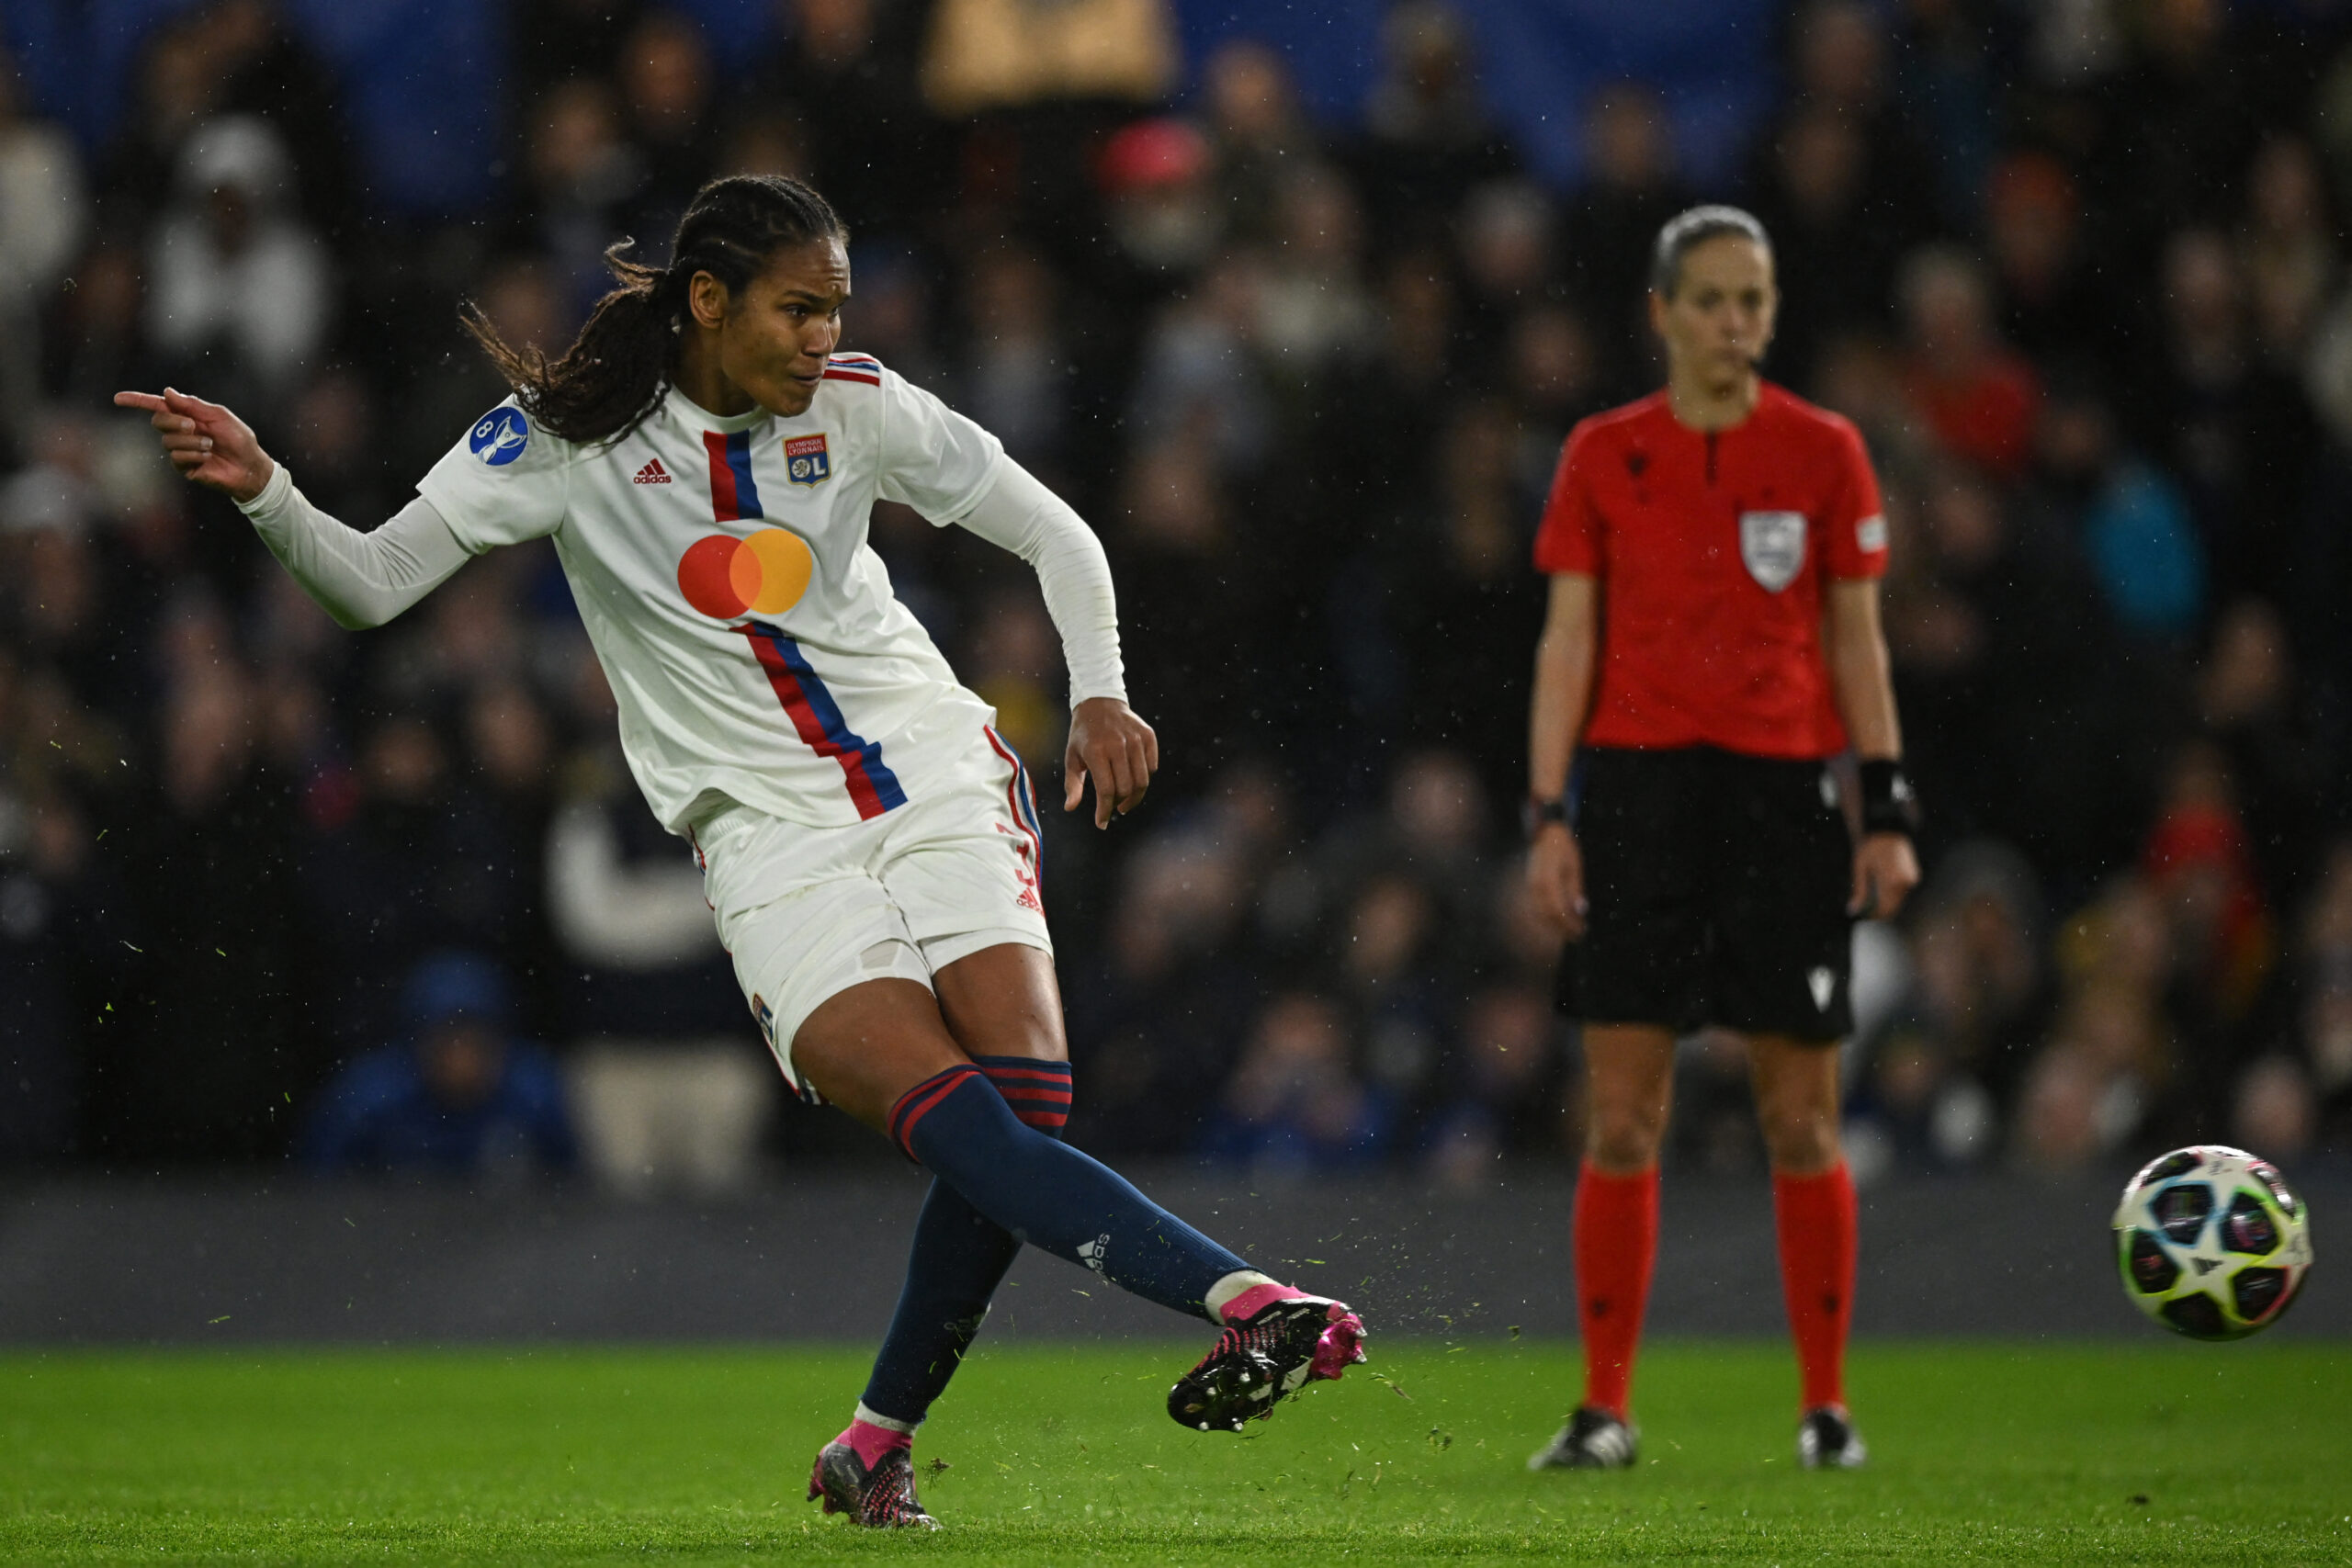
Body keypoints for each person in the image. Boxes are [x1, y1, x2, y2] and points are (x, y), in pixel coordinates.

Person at [119, 173, 1364, 1530]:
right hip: (767, 833)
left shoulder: (861, 407)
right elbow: (365, 583)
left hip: (930, 766)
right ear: (707, 302)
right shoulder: (565, 437)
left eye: (835, 308)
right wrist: (268, 490)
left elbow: (1052, 526)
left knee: (1028, 1101)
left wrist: (1102, 687)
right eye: (797, 310)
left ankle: (878, 1442)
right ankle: (1249, 1300)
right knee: (966, 1119)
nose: (823, 338)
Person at [1521, 206, 1919, 1472]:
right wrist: (1548, 812)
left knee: (1801, 1112)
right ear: (1662, 312)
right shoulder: (1602, 453)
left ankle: (1825, 1407)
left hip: (1782, 798)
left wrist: (1887, 802)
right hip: (1636, 795)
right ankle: (1603, 1408)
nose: (1737, 321)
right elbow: (1567, 640)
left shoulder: (1824, 452)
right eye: (1713, 299)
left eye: (1755, 298)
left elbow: (1857, 640)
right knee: (1624, 1109)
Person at [302, 951, 577, 1177]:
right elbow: (316, 1186)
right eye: (448, 1041)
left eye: (475, 1042)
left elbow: (574, 1187)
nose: (462, 1059)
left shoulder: (534, 1094)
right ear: (418, 1043)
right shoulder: (369, 1099)